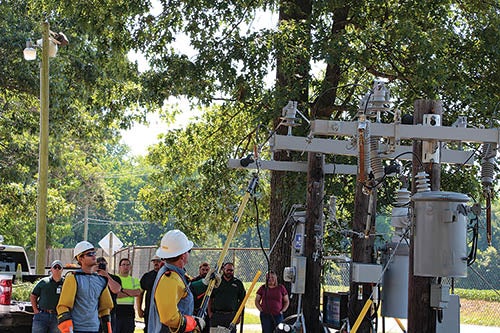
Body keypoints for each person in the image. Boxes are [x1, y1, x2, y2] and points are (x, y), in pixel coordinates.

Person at [147, 229, 205, 333]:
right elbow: (169, 318)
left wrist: (204, 283)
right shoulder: (169, 278)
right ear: (183, 256)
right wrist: (193, 323)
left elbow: (184, 292)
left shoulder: (174, 273)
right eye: (188, 251)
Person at [56, 241, 113, 333]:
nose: (94, 256)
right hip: (76, 329)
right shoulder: (72, 278)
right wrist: (68, 331)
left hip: (94, 328)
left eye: (94, 253)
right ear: (80, 258)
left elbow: (105, 308)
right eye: (89, 254)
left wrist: (107, 330)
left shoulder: (101, 280)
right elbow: (63, 307)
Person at [208, 262, 246, 333]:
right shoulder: (216, 282)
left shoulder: (238, 283)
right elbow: (210, 298)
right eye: (227, 270)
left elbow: (242, 301)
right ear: (223, 269)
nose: (229, 272)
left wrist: (238, 316)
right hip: (217, 315)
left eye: (231, 270)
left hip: (231, 316)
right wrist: (210, 313)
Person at [30, 260, 65, 333]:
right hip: (42, 315)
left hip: (57, 316)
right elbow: (33, 296)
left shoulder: (65, 283)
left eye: (59, 267)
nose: (57, 269)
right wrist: (35, 310)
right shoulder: (44, 282)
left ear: (62, 270)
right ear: (51, 269)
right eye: (55, 267)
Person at [95, 256, 122, 333]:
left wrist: (106, 276)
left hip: (110, 313)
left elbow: (116, 290)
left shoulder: (114, 278)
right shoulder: (93, 277)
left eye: (103, 265)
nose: (101, 267)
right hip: (94, 313)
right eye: (99, 265)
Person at [115, 258, 141, 333]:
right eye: (123, 264)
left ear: (130, 267)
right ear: (119, 267)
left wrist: (122, 290)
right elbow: (116, 294)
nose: (125, 266)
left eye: (127, 265)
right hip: (117, 312)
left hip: (129, 313)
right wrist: (131, 293)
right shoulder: (115, 279)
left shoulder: (134, 280)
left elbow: (137, 293)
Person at [137, 255, 162, 333]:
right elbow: (140, 293)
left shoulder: (168, 275)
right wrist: (139, 309)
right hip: (149, 311)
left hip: (163, 311)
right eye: (154, 261)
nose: (156, 263)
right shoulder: (147, 276)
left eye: (158, 261)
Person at [190, 262, 211, 333]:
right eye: (203, 269)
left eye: (207, 270)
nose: (205, 271)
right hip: (196, 311)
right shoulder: (193, 281)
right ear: (199, 270)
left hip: (207, 312)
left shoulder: (212, 282)